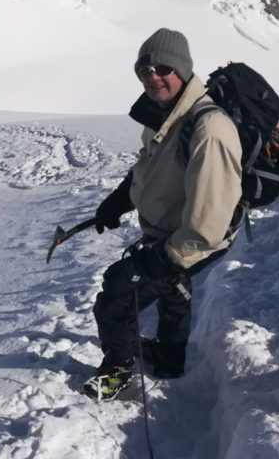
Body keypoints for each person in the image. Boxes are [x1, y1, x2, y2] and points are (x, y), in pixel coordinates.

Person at [83, 28, 243, 400]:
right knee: (172, 288)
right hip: (173, 227)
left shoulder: (210, 129)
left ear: (183, 70)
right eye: (144, 69)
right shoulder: (164, 112)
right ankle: (170, 359)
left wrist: (164, 258)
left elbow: (207, 224)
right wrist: (120, 200)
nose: (152, 76)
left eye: (163, 68)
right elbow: (152, 165)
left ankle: (118, 370)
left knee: (118, 292)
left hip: (196, 237)